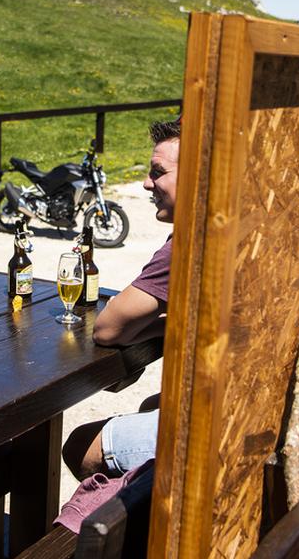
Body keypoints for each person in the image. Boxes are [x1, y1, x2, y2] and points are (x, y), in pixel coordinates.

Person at [63, 117, 180, 480]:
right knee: (149, 404)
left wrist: (151, 329)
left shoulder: (189, 240)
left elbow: (109, 328)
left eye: (157, 172)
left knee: (80, 445)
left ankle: (116, 534)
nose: (147, 182)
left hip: (223, 424)